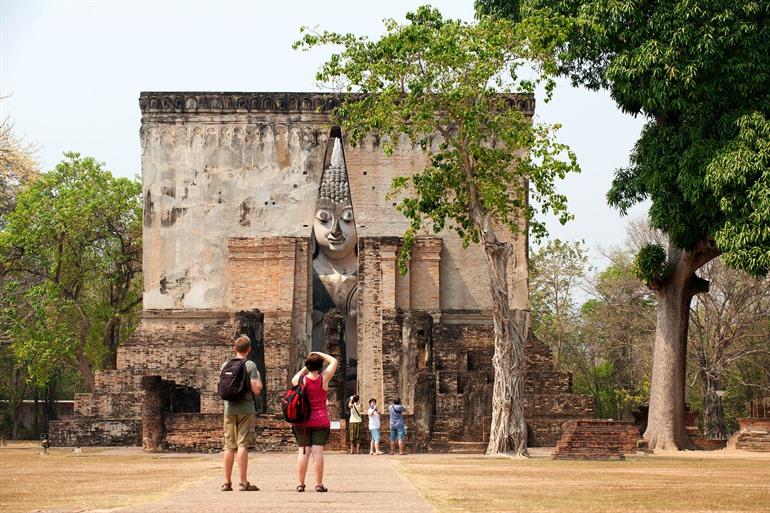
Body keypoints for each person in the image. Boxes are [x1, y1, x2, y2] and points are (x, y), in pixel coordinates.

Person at [291, 351, 338, 492]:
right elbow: (334, 361)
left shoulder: (300, 380)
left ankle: (300, 484)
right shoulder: (323, 378)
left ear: (307, 365)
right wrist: (318, 353)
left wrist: (306, 366)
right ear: (320, 366)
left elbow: (294, 378)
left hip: (302, 421)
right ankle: (318, 484)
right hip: (320, 420)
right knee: (318, 453)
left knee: (303, 452)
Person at [222, 335, 263, 492]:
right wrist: (258, 378)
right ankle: (243, 482)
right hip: (246, 409)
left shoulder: (226, 364)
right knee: (242, 444)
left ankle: (226, 482)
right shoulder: (250, 365)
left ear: (234, 349)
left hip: (229, 409)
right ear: (249, 349)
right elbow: (256, 389)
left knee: (228, 446)